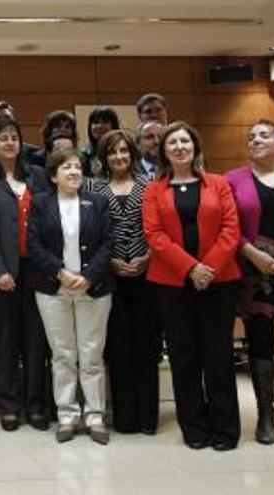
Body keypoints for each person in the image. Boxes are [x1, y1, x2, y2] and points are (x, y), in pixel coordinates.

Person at [143, 122, 241, 451]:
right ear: (164, 151)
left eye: (186, 140)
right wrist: (190, 268)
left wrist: (207, 268)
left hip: (219, 281)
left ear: (195, 147)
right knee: (184, 357)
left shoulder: (219, 184)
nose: (180, 147)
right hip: (172, 284)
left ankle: (225, 428)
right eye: (173, 142)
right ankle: (194, 427)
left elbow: (231, 229)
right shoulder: (154, 189)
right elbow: (154, 235)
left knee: (219, 356)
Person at [27, 148, 113, 445]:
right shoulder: (40, 203)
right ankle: (67, 415)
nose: (75, 172)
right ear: (53, 176)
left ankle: (95, 416)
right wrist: (62, 273)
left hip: (94, 289)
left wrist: (88, 277)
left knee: (91, 354)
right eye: (67, 168)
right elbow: (34, 244)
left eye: (78, 167)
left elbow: (108, 244)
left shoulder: (98, 202)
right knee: (63, 354)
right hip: (54, 289)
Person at [0, 116, 50, 432]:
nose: (9, 143)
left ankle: (35, 404)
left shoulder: (39, 177)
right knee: (4, 341)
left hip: (37, 270)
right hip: (3, 273)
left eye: (14, 137)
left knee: (35, 341)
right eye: (2, 138)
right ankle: (9, 405)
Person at [85, 130, 158, 435]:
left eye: (124, 151)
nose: (119, 157)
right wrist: (110, 262)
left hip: (146, 274)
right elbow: (91, 233)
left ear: (133, 154)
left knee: (146, 346)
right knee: (117, 347)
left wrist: (150, 256)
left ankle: (148, 417)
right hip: (109, 276)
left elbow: (161, 226)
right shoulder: (92, 187)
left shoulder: (150, 185)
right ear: (104, 157)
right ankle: (125, 417)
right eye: (112, 152)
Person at [226, 119, 274, 445]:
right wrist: (249, 251)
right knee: (260, 340)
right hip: (251, 272)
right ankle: (267, 413)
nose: (255, 140)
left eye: (263, 135)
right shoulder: (233, 180)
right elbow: (226, 223)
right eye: (251, 137)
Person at [81, 106, 121, 177]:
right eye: (96, 122)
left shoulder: (123, 151)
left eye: (105, 122)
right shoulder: (84, 154)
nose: (99, 126)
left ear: (114, 126)